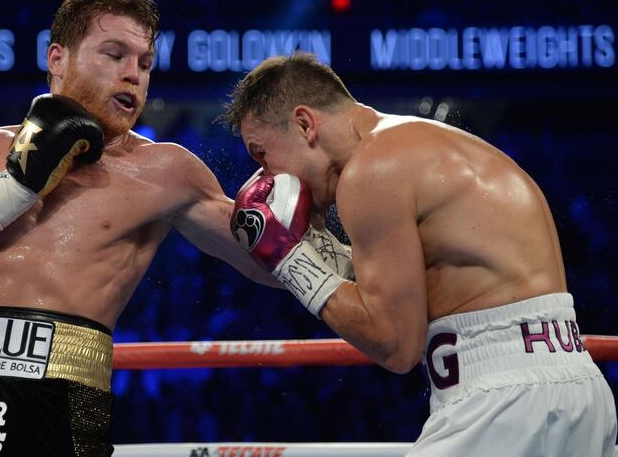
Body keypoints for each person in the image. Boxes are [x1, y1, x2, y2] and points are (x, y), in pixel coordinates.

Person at [0, 0, 274, 457]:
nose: (133, 75)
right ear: (57, 59)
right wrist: (17, 183)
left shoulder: (166, 171)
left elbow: (266, 260)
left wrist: (339, 232)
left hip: (60, 398)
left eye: (145, 63)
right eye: (114, 54)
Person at [223, 52, 617, 456]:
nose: (267, 177)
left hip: (505, 403)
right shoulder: (413, 144)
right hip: (575, 388)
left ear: (305, 124)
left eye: (262, 154)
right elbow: (397, 289)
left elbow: (396, 345)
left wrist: (288, 259)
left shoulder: (371, 171)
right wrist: (311, 244)